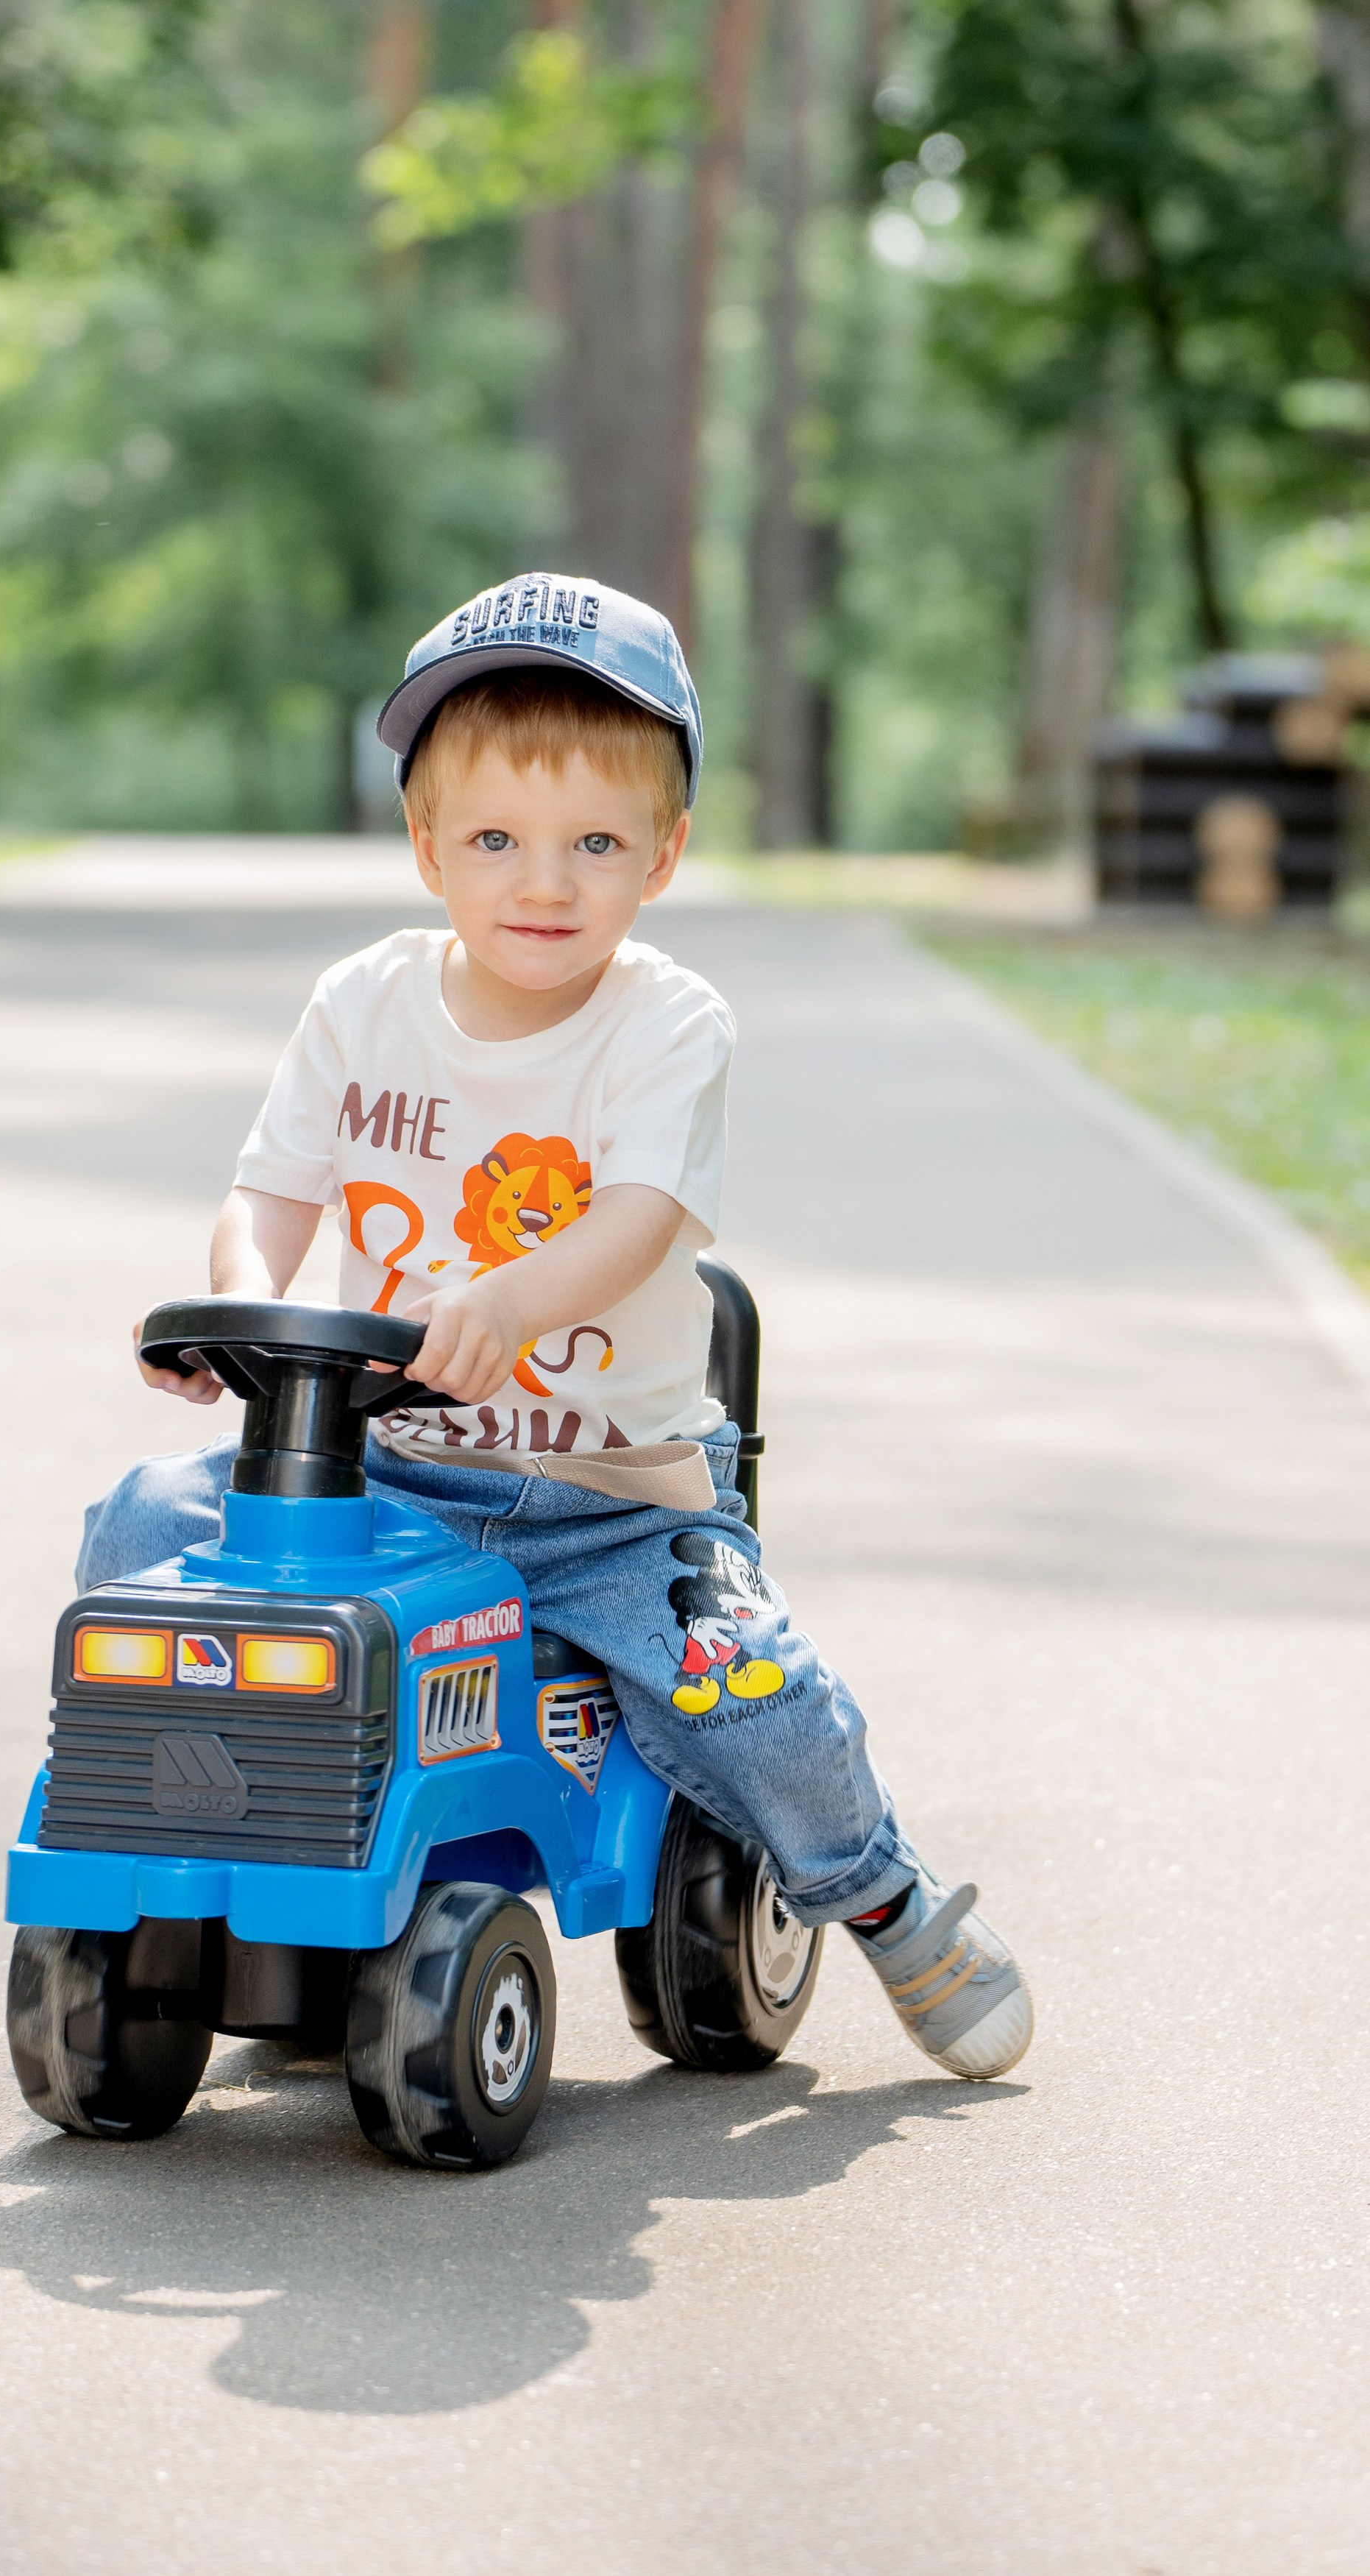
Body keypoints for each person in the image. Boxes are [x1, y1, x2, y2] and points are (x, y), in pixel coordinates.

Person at [79, 573, 1033, 2081]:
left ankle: (887, 1896)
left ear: (664, 853)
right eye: (498, 841)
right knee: (141, 1540)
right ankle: (224, 1846)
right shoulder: (363, 1004)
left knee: (749, 1695)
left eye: (596, 842)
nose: (546, 882)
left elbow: (639, 1220)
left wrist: (507, 1299)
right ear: (427, 845)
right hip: (380, 1479)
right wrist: (245, 1308)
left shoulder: (665, 1024)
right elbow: (268, 1193)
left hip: (607, 1501)